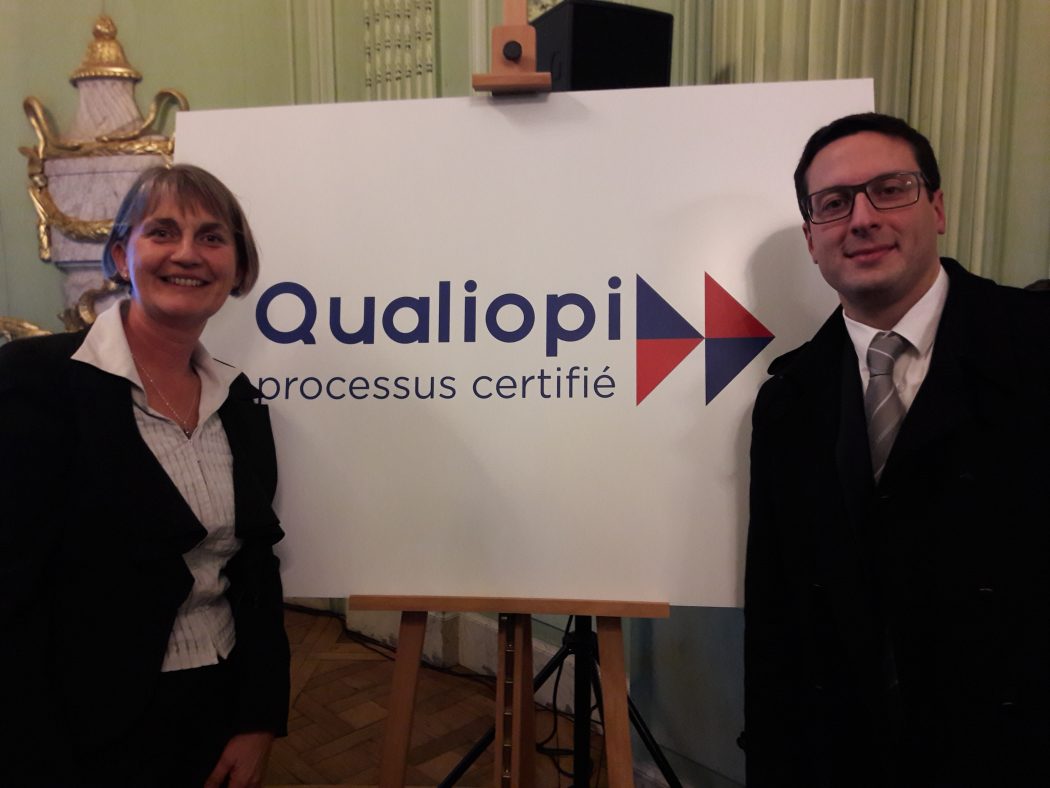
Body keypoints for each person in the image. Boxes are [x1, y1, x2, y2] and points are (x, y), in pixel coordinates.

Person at [743, 113, 1050, 787]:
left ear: (936, 207)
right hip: (843, 759)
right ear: (812, 239)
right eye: (833, 203)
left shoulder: (1036, 346)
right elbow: (777, 616)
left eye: (889, 190)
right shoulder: (787, 402)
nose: (861, 219)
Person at [0, 164, 290, 787]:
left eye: (212, 237)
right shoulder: (33, 381)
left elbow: (254, 570)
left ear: (238, 267)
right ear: (120, 255)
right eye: (162, 232)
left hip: (217, 705)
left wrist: (258, 718)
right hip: (78, 726)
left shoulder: (241, 402)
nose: (187, 253)